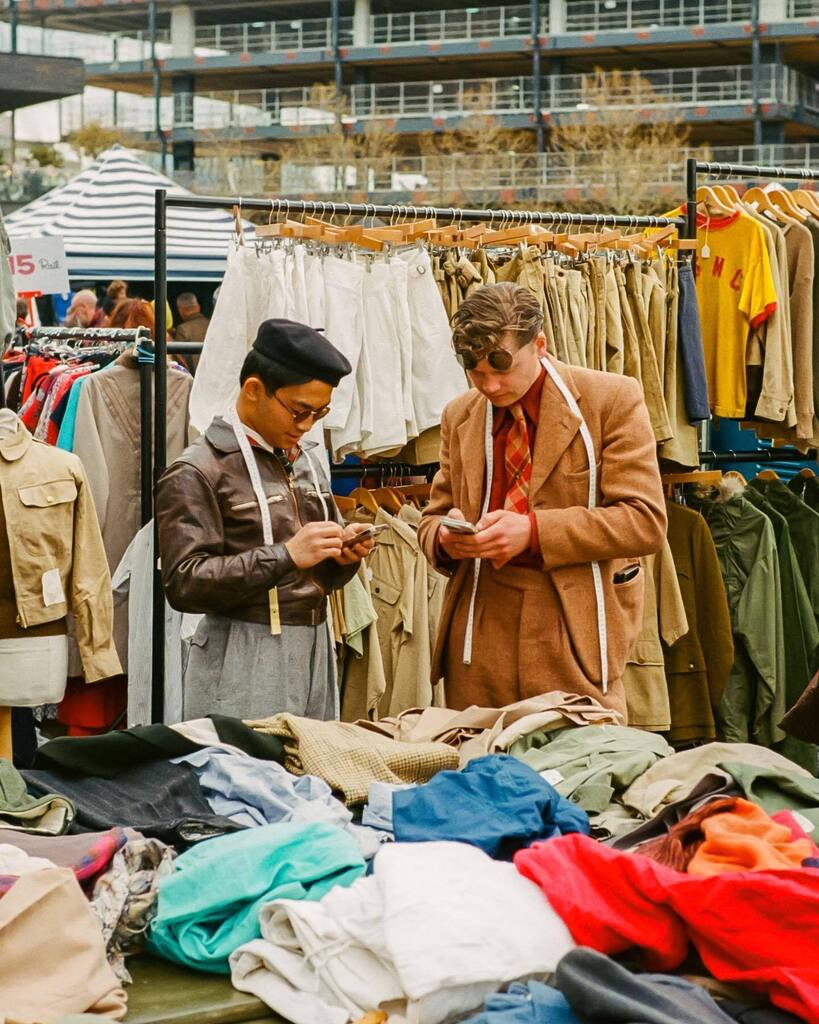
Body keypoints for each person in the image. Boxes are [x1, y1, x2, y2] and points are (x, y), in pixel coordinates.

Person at [417, 282, 666, 720]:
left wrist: (533, 531)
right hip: (480, 632)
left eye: (502, 368)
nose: (490, 385)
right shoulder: (460, 415)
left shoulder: (611, 400)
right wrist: (443, 540)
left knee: (580, 769)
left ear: (541, 345)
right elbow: (433, 516)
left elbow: (643, 521)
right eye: (476, 372)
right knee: (480, 768)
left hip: (573, 626)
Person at [155, 318, 374, 720]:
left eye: (320, 412)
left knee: (311, 775)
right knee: (240, 776)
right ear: (254, 390)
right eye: (299, 410)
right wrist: (287, 555)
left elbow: (312, 578)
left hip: (313, 644)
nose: (307, 424)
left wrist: (342, 559)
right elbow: (184, 583)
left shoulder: (305, 459)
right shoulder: (197, 470)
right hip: (240, 648)